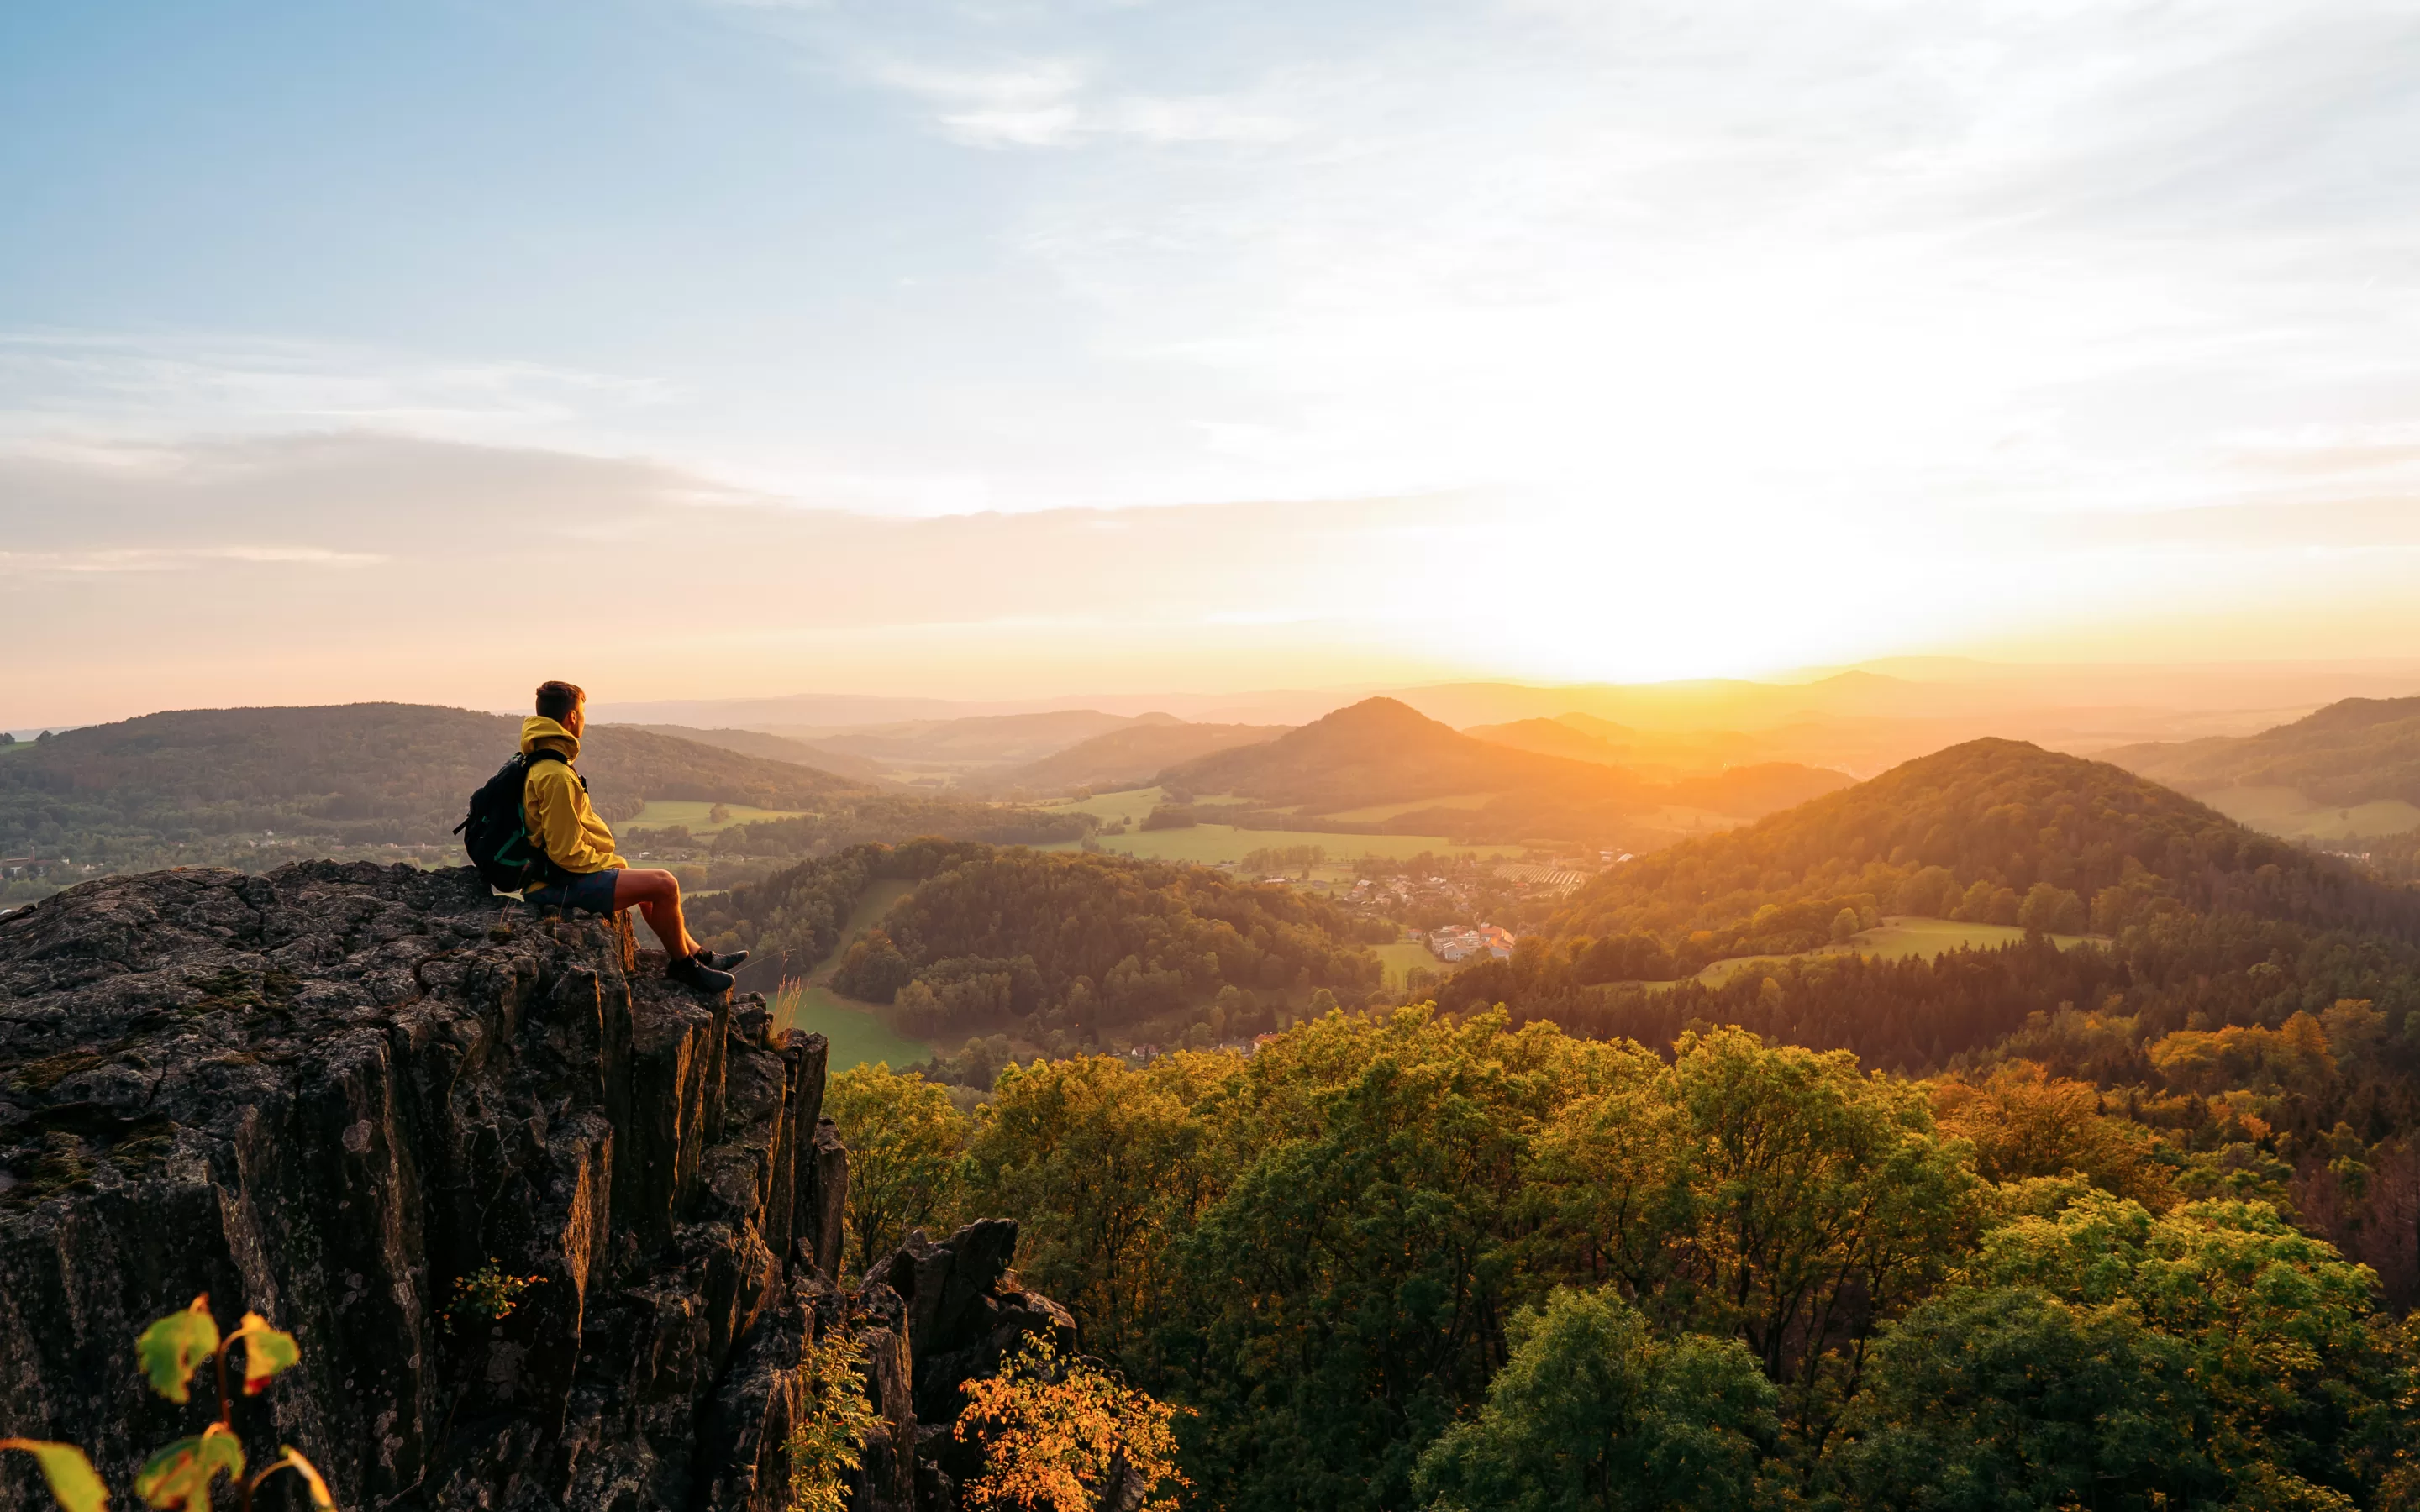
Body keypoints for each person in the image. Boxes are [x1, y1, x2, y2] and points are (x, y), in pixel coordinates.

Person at [518, 680, 746, 992]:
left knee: (646, 882)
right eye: (582, 713)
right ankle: (684, 967)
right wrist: (609, 864)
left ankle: (698, 954)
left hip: (553, 878)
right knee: (665, 884)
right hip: (554, 886)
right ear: (571, 718)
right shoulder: (556, 775)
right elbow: (565, 854)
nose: (583, 720)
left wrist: (614, 866)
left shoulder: (544, 761)